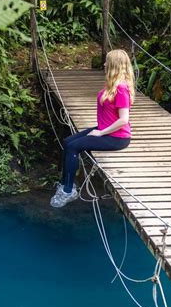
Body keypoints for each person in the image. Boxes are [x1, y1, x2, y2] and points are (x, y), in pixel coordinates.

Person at [50, 48, 134, 208]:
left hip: (117, 138)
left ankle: (68, 191)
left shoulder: (121, 89)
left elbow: (124, 120)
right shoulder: (113, 85)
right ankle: (65, 184)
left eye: (107, 61)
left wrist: (101, 132)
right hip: (107, 130)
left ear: (114, 65)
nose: (103, 64)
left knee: (74, 147)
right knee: (68, 142)